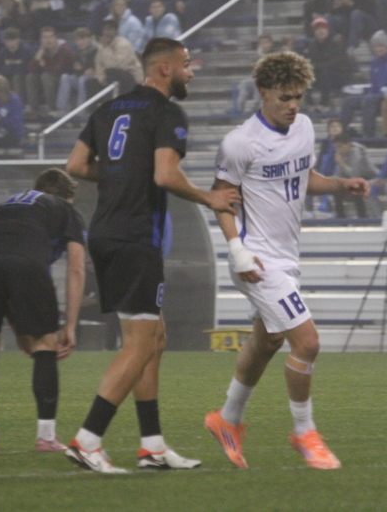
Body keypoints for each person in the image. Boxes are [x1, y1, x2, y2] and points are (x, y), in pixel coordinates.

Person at [63, 38, 240, 473]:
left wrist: (121, 171)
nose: (190, 72)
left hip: (105, 232)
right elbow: (165, 174)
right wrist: (209, 198)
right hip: (135, 236)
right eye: (185, 65)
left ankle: (153, 447)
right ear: (163, 68)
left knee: (154, 339)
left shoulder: (108, 109)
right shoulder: (166, 112)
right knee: (140, 343)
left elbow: (76, 165)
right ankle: (87, 439)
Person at [205, 51, 370, 470]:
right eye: (284, 98)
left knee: (268, 340)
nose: (293, 105)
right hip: (255, 259)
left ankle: (227, 420)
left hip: (286, 257)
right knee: (308, 342)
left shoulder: (304, 128)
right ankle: (304, 431)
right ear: (263, 93)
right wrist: (237, 249)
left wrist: (340, 184)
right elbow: (221, 200)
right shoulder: (240, 142)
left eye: (298, 97)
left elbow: (303, 177)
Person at [0, 168, 86, 453]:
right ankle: (46, 437)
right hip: (25, 263)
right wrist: (69, 326)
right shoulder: (64, 208)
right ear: (66, 196)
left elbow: (2, 257)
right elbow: (76, 267)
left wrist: (20, 329)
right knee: (45, 343)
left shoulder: (9, 204)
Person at [339, 30, 387, 138]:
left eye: (381, 46)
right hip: (375, 94)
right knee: (349, 101)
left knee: (369, 101)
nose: (378, 49)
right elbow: (374, 84)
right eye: (375, 46)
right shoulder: (375, 62)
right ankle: (341, 133)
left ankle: (368, 136)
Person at [26, 26, 76, 117]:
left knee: (46, 76)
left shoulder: (64, 50)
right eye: (45, 37)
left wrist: (44, 65)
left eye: (50, 37)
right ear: (41, 40)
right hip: (49, 77)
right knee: (31, 77)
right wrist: (40, 52)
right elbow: (31, 69)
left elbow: (57, 70)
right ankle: (34, 109)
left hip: (63, 79)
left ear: (56, 38)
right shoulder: (43, 51)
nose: (48, 40)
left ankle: (51, 109)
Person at [332, 132, 379, 218]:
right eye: (336, 147)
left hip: (368, 176)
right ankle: (341, 219)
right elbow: (339, 175)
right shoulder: (340, 154)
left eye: (340, 146)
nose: (338, 150)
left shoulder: (356, 152)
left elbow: (355, 174)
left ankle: (362, 218)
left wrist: (342, 164)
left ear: (348, 145)